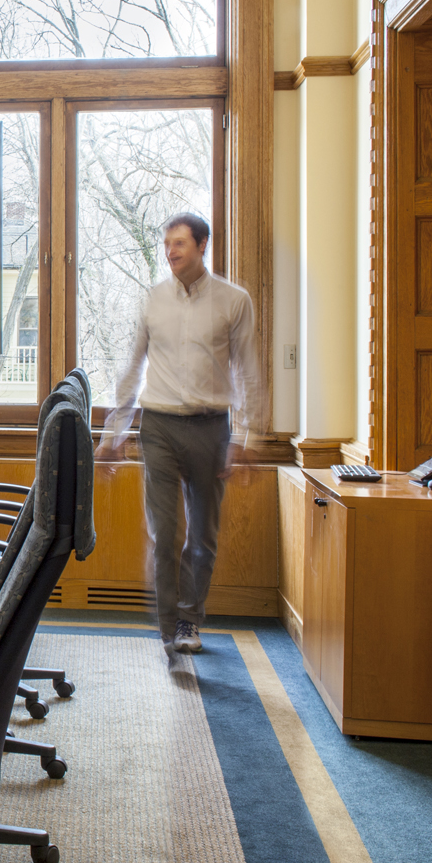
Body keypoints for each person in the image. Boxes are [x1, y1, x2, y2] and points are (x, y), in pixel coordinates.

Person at [99, 214, 264, 654]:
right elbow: (133, 366)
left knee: (202, 535)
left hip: (211, 428)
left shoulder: (234, 301)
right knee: (165, 530)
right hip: (159, 425)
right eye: (167, 244)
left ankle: (191, 620)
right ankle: (169, 627)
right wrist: (114, 432)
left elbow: (249, 372)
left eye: (180, 244)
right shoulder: (153, 300)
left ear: (203, 244)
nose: (171, 252)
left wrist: (246, 439)